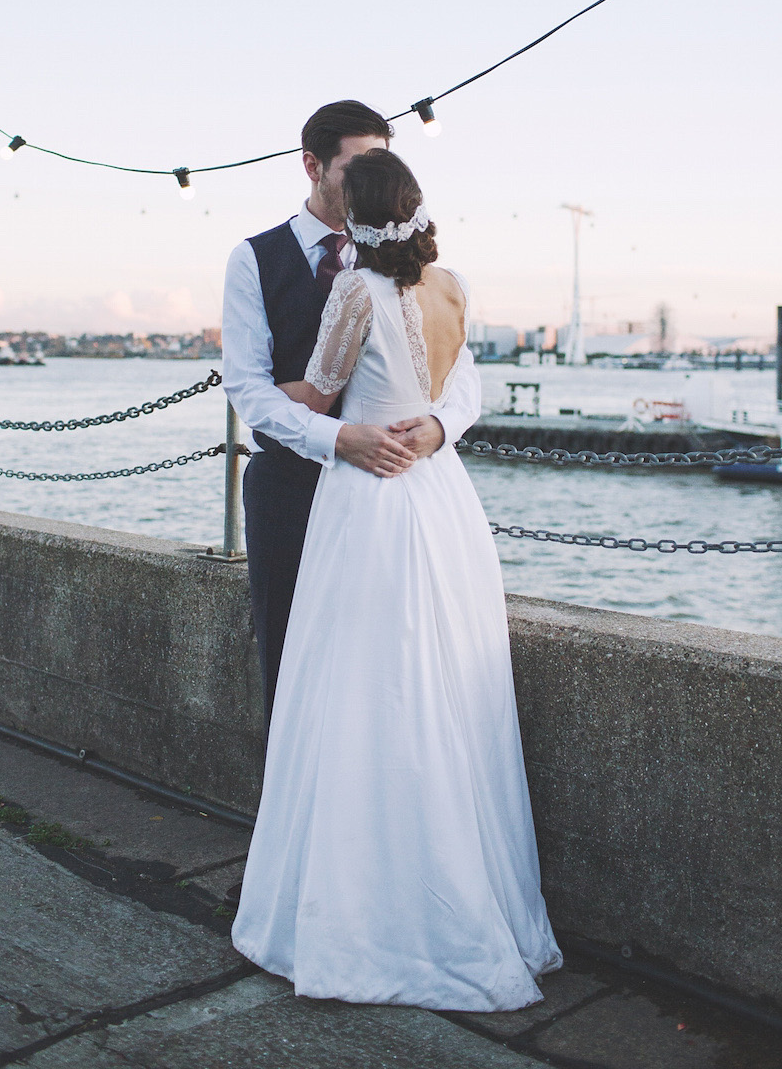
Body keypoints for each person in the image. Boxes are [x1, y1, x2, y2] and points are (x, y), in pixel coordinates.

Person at [231, 149, 562, 1011]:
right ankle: (463, 892)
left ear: (362, 215)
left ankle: (366, 912)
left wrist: (254, 391)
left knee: (363, 688)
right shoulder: (452, 286)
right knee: (447, 684)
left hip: (369, 502)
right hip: (442, 498)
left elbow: (317, 392)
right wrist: (432, 430)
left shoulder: (355, 293)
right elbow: (457, 390)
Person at [222, 102, 480, 730]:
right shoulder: (253, 259)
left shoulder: (424, 275)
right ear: (312, 166)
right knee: (293, 664)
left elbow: (463, 375)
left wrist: (441, 427)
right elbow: (247, 388)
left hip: (399, 486)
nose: (371, 178)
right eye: (358, 165)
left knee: (404, 663)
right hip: (290, 489)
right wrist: (338, 438)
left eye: (381, 164)